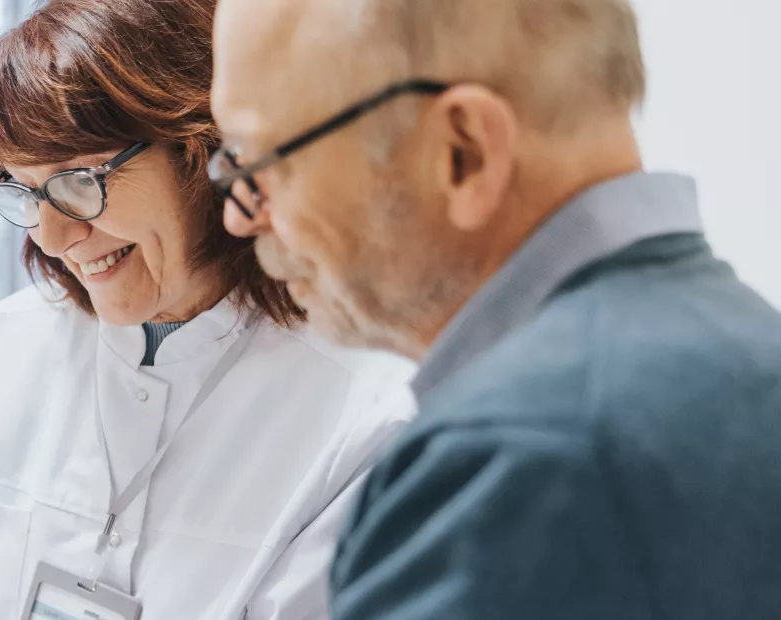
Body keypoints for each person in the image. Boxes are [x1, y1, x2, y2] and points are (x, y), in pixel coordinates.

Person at [209, 0, 781, 617]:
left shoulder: (516, 462)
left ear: (464, 152)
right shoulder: (748, 355)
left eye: (264, 163)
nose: (241, 215)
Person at [0, 1, 417, 618]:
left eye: (79, 181)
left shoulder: (365, 408)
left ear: (201, 151)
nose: (52, 236)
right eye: (24, 190)